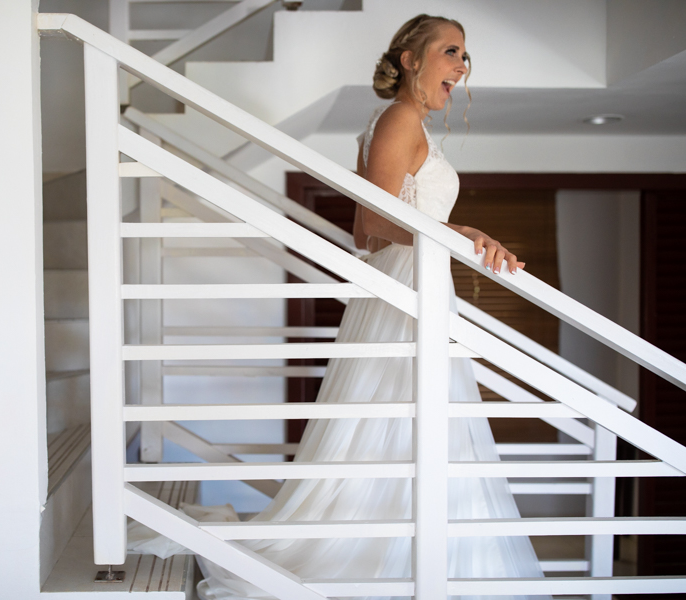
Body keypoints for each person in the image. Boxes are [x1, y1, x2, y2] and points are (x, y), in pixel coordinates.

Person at [131, 14, 547, 600]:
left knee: (410, 424)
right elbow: (374, 222)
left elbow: (365, 233)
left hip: (414, 286)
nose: (462, 65)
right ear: (410, 59)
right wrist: (458, 232)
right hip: (408, 291)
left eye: (464, 55)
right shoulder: (400, 118)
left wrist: (446, 236)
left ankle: (409, 552)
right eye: (450, 51)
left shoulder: (394, 122)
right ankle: (399, 557)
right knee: (410, 420)